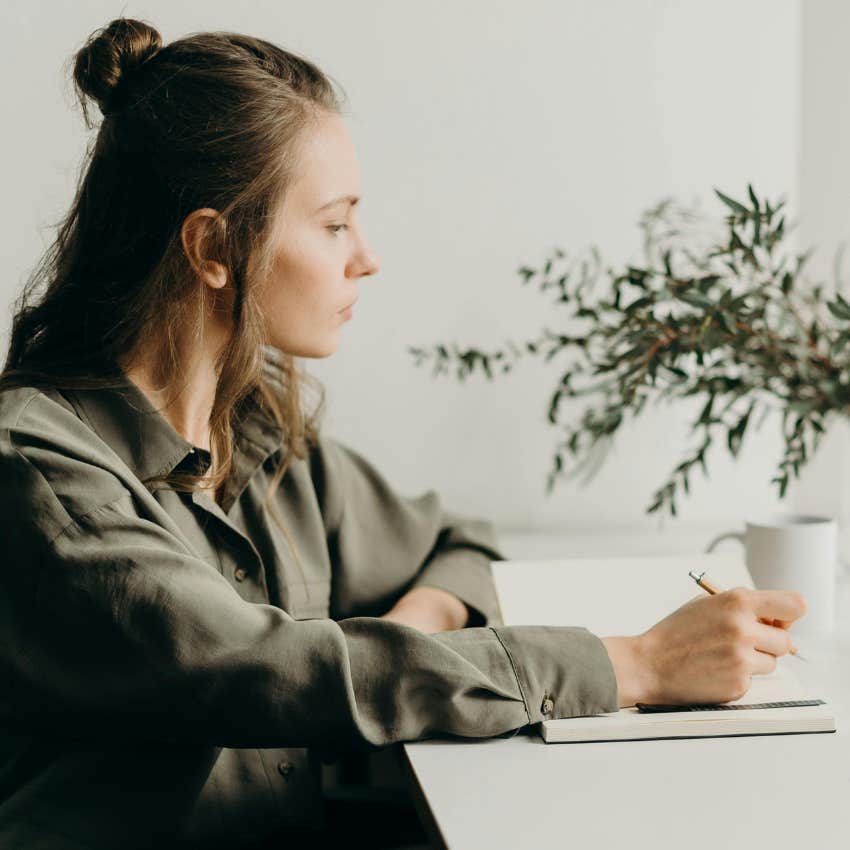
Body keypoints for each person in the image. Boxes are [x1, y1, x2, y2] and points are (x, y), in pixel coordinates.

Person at [0, 17, 807, 850]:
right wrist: (637, 664)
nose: (367, 258)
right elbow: (274, 672)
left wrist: (413, 631)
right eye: (334, 224)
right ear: (213, 247)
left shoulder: (257, 433)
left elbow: (458, 545)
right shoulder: (39, 471)